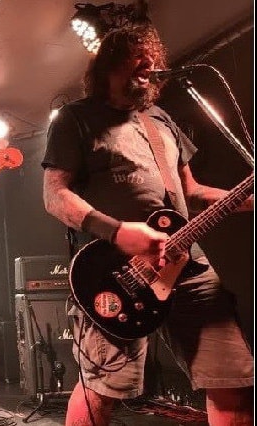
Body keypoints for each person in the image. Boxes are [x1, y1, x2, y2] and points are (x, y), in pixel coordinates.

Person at [41, 23, 254, 426]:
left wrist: (250, 200)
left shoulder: (162, 120)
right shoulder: (76, 118)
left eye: (151, 56)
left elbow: (192, 192)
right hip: (115, 269)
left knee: (233, 380)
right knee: (102, 388)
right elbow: (55, 195)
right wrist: (117, 231)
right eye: (136, 56)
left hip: (186, 262)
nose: (149, 63)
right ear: (109, 64)